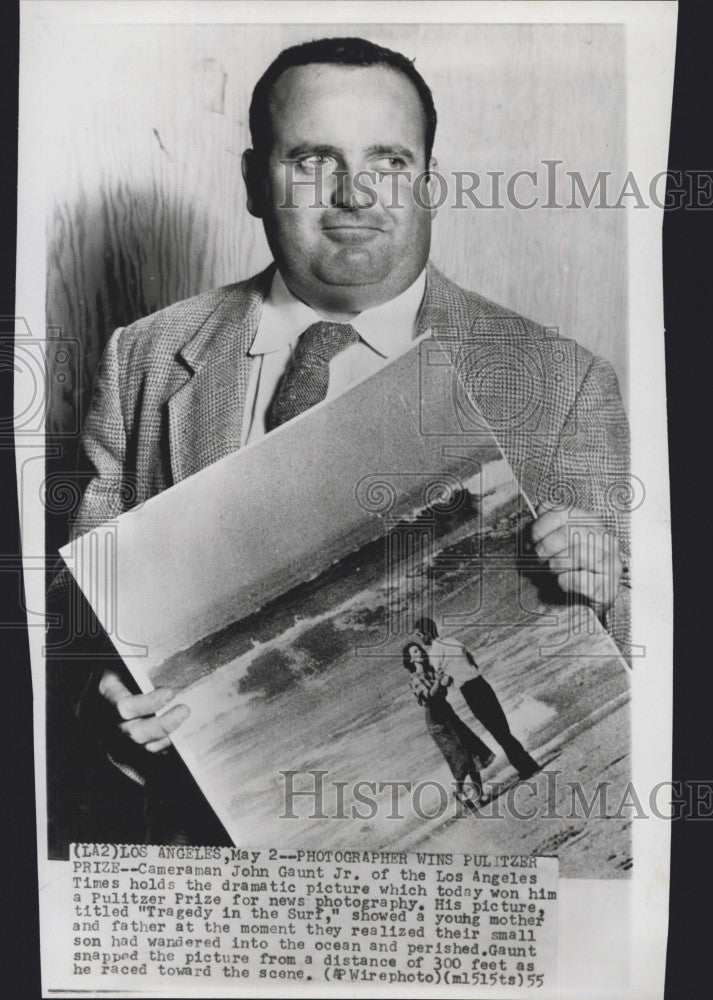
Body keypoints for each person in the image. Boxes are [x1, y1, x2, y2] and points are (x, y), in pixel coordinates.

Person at [50, 36, 629, 845]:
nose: (355, 194)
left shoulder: (561, 385)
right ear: (255, 183)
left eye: (389, 162)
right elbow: (76, 631)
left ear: (431, 183)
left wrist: (608, 589)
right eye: (313, 160)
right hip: (202, 868)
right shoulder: (142, 357)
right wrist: (101, 704)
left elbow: (657, 664)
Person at [414, 617, 540, 780]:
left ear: (426, 633)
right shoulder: (453, 641)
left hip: (471, 691)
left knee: (498, 733)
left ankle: (527, 767)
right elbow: (470, 662)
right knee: (503, 730)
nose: (419, 639)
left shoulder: (435, 654)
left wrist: (442, 681)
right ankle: (527, 764)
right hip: (482, 684)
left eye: (419, 634)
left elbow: (444, 681)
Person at [403, 642, 494, 809]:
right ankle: (459, 792)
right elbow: (428, 697)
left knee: (472, 749)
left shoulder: (431, 670)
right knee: (459, 758)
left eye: (420, 649)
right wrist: (438, 682)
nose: (420, 652)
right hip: (437, 722)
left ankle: (480, 795)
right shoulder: (414, 678)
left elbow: (442, 691)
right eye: (415, 652)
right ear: (410, 660)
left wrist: (445, 681)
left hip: (448, 714)